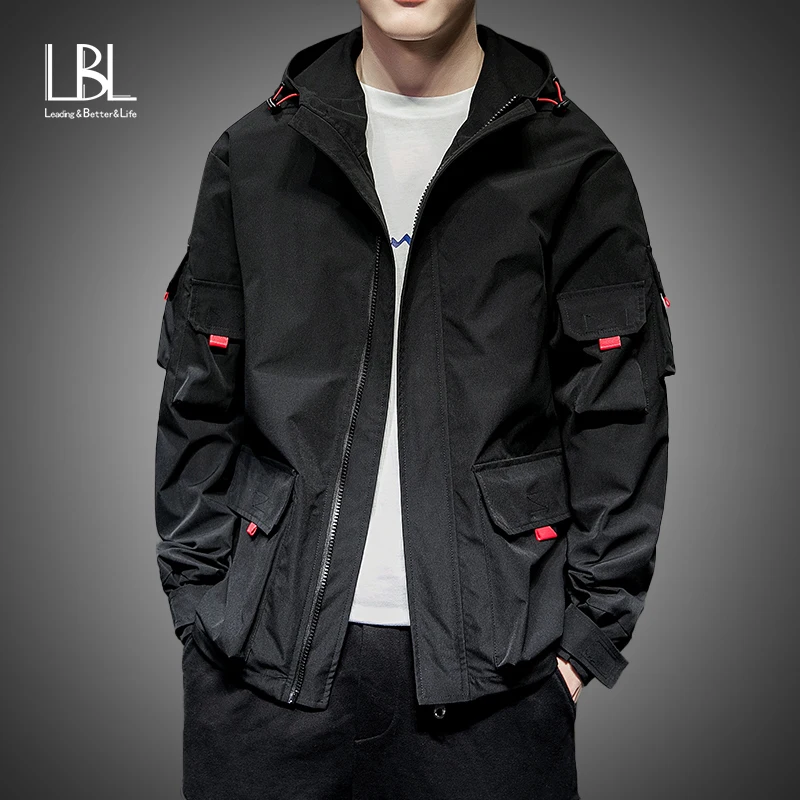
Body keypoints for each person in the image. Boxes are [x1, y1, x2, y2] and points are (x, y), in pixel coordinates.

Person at [154, 1, 676, 798]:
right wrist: (200, 603)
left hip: (501, 677)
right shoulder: (254, 157)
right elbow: (199, 394)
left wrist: (587, 639)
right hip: (259, 668)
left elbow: (617, 413)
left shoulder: (573, 163)